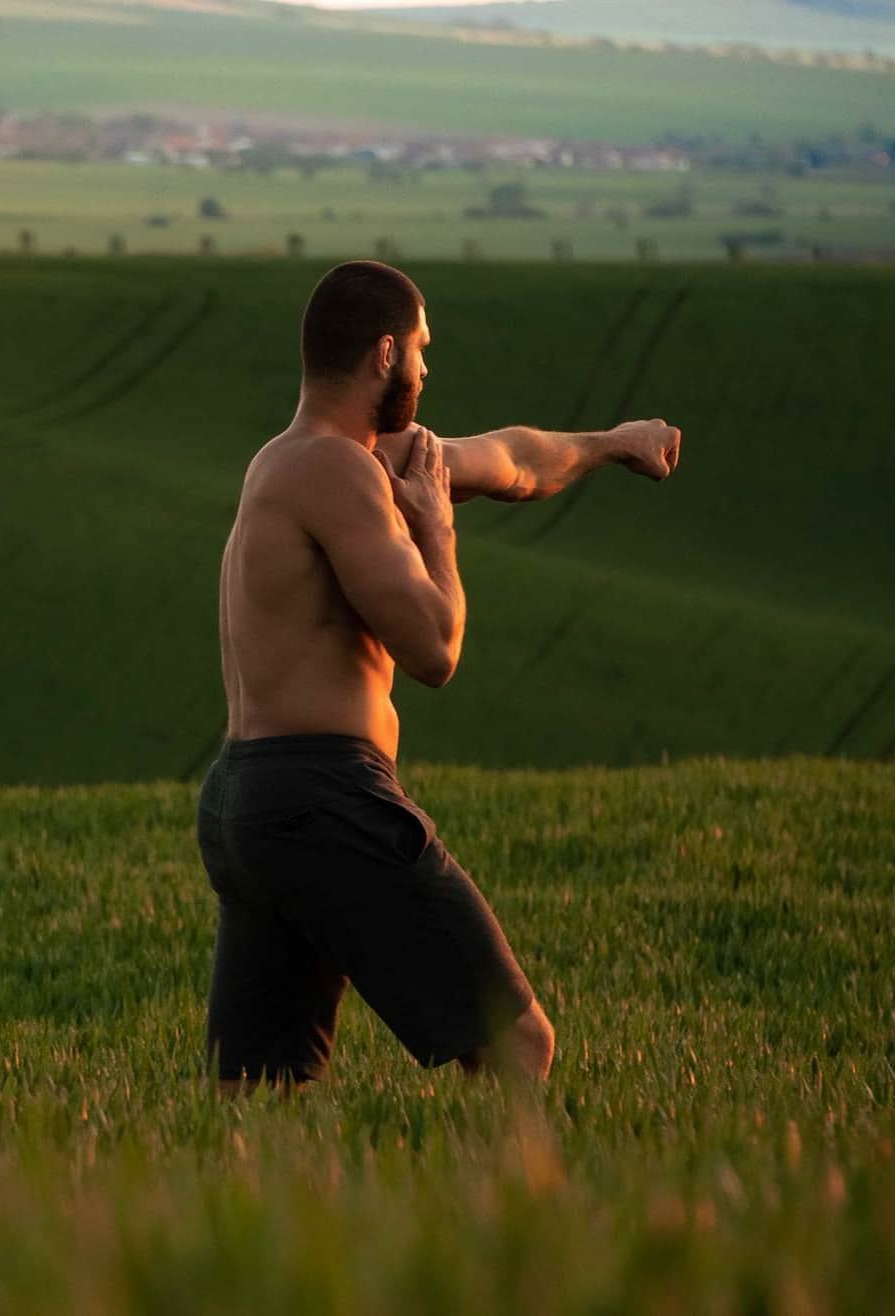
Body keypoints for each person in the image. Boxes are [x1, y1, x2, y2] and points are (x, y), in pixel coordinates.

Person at [198, 260, 682, 1095]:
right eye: (422, 348)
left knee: (258, 1093)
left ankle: (225, 1222)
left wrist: (610, 443)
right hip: (324, 797)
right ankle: (497, 1215)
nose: (429, 368)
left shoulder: (311, 462)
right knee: (516, 1044)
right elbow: (433, 650)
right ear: (385, 354)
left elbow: (511, 460)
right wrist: (437, 532)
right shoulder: (338, 472)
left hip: (251, 802)